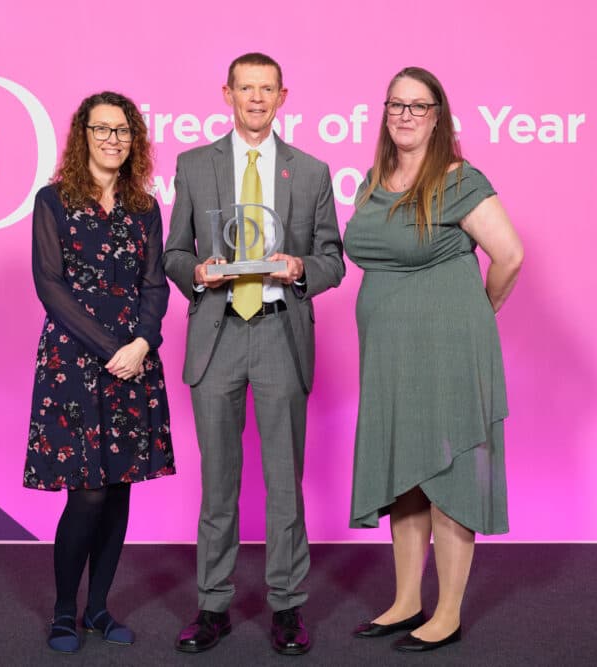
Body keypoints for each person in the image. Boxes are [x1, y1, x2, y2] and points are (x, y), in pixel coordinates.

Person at [163, 52, 344, 655]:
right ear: (228, 94)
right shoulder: (193, 165)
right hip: (216, 334)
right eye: (247, 89)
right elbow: (172, 255)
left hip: (278, 331)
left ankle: (287, 608)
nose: (257, 99)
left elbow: (332, 260)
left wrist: (300, 268)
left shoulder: (311, 172)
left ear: (283, 96)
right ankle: (212, 605)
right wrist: (200, 271)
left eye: (267, 89)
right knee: (218, 485)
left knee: (285, 484)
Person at [344, 67, 523, 653]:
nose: (405, 115)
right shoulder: (376, 178)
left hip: (448, 346)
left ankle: (447, 612)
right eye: (396, 104)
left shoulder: (460, 179)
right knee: (406, 475)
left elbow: (510, 255)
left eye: (418, 106)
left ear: (438, 115)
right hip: (389, 355)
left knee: (448, 474)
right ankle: (405, 601)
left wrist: (480, 309)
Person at [22, 91, 175, 654]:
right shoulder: (53, 201)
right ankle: (65, 611)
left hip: (134, 362)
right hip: (74, 365)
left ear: (133, 140)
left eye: (123, 131)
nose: (113, 139)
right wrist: (115, 347)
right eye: (102, 129)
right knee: (85, 494)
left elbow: (155, 285)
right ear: (81, 135)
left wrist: (142, 342)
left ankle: (99, 610)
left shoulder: (144, 206)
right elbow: (50, 285)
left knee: (118, 491)